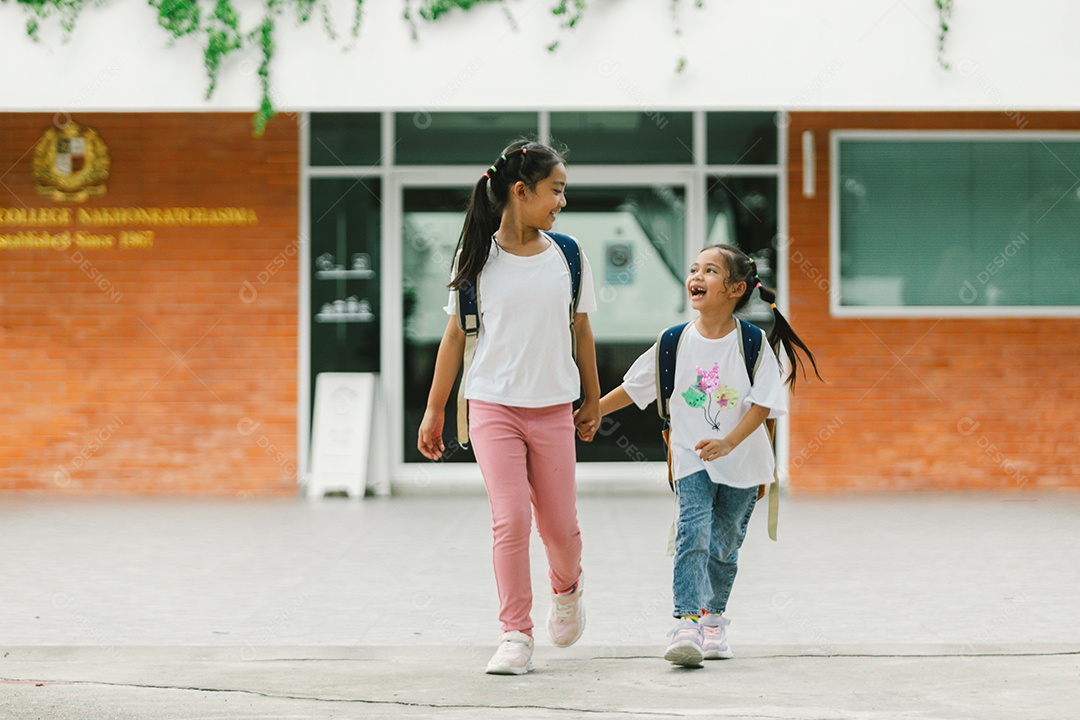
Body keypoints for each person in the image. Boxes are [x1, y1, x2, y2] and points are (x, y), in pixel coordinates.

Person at [417, 139, 601, 676]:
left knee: (560, 529)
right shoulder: (477, 256)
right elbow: (455, 335)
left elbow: (582, 330)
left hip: (552, 407)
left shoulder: (568, 255)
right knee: (511, 519)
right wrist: (434, 409)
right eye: (555, 190)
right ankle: (515, 634)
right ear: (521, 192)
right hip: (492, 405)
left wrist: (592, 398)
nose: (562, 201)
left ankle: (567, 589)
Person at [595, 243, 820, 667]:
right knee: (692, 532)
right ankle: (687, 622)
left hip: (743, 463)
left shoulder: (752, 342)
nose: (697, 276)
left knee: (724, 545)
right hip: (690, 457)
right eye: (694, 268)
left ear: (735, 289)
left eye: (710, 271)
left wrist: (729, 442)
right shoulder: (673, 341)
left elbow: (764, 405)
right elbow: (634, 387)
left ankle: (713, 620)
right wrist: (591, 413)